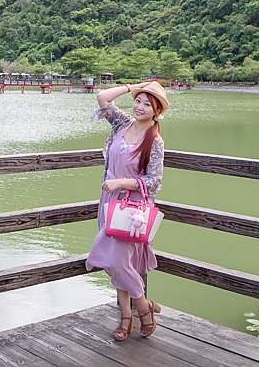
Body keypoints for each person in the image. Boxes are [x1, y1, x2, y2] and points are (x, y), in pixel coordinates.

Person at [86, 80, 168, 341]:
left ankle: (140, 308)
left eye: (148, 104)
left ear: (157, 111)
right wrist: (132, 86)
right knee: (116, 263)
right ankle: (128, 314)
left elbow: (154, 181)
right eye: (138, 100)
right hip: (109, 201)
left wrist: (120, 182)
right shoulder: (122, 123)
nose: (140, 106)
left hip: (132, 209)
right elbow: (102, 97)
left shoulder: (154, 140)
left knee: (118, 260)